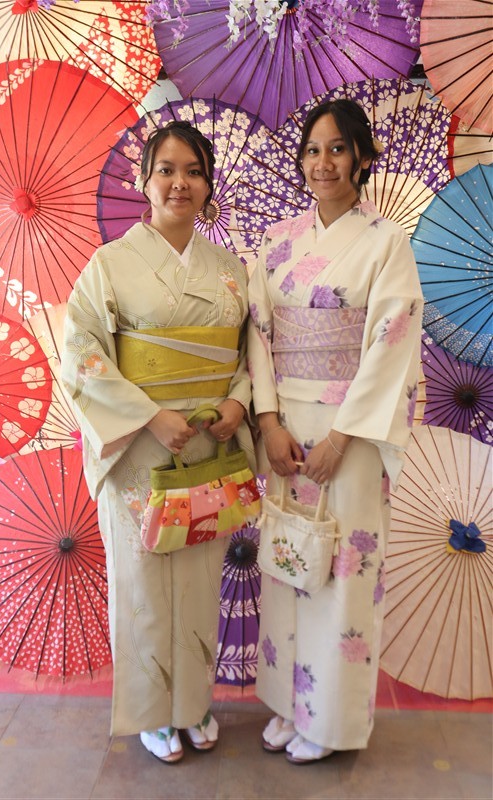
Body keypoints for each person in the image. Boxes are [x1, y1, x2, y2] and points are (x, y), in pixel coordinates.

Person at [61, 121, 254, 763]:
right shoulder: (109, 265)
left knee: (200, 577)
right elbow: (81, 352)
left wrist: (237, 401)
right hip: (140, 447)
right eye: (166, 169)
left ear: (208, 184)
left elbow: (250, 353)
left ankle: (193, 704)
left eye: (194, 171)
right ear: (144, 181)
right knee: (143, 579)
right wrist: (148, 416)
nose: (180, 183)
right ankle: (152, 713)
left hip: (207, 442)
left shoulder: (230, 270)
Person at [248, 99, 423, 764]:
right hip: (287, 430)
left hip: (349, 432)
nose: (323, 163)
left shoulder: (385, 242)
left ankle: (329, 721)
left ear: (362, 157)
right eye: (313, 149)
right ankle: (287, 704)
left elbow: (390, 344)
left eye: (338, 148)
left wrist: (342, 438)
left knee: (343, 568)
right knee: (289, 561)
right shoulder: (277, 243)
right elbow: (258, 333)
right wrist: (268, 422)